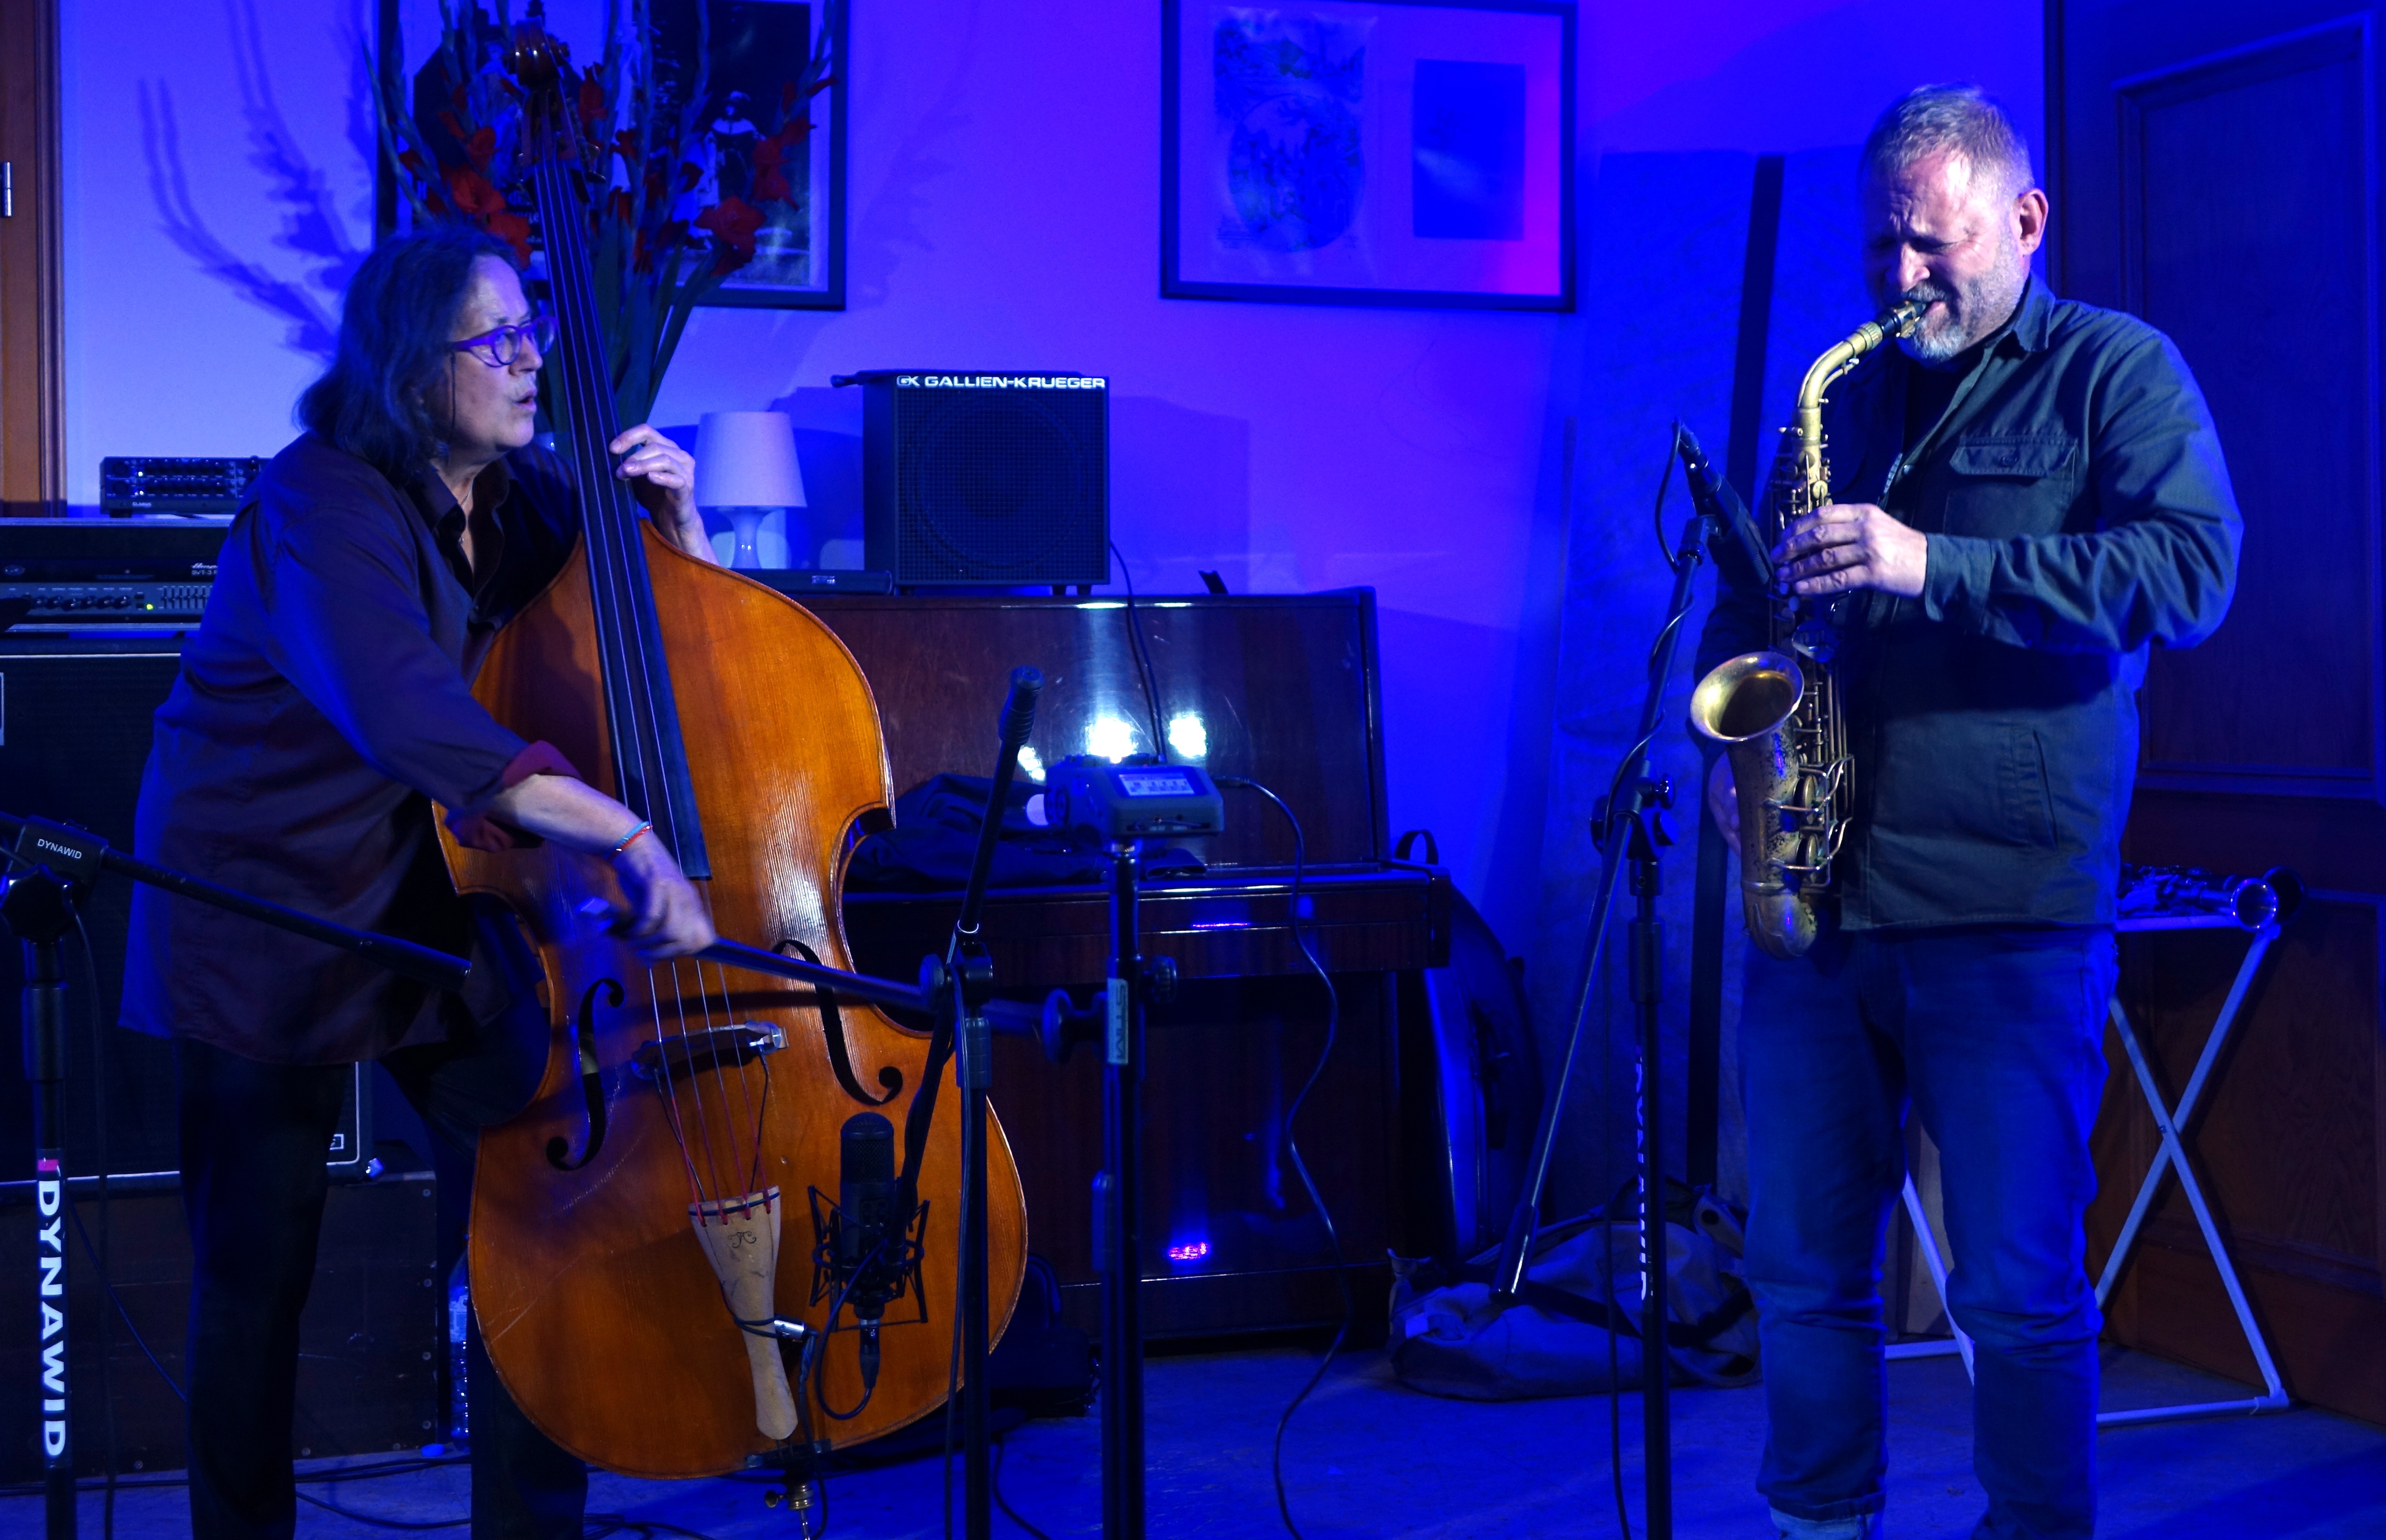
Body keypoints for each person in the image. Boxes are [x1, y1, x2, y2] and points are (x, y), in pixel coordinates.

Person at [1696, 86, 2241, 1540]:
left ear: (2024, 219)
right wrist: (1732, 714)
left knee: (2015, 1286)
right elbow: (1756, 593)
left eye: (1931, 247)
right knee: (1802, 1272)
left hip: (2007, 907)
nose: (1901, 281)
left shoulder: (2117, 373)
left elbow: (2189, 576)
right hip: (1821, 907)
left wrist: (1931, 565)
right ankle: (1821, 1522)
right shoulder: (1851, 390)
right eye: (1880, 250)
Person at [121, 222, 720, 1540]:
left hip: (428, 892)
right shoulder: (319, 500)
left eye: (532, 328)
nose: (529, 361)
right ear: (411, 364)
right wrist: (623, 837)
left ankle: (530, 1527)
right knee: (257, 1270)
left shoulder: (522, 495)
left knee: (536, 1203)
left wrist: (683, 531)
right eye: (493, 338)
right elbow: (411, 718)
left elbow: (676, 650)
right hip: (257, 898)